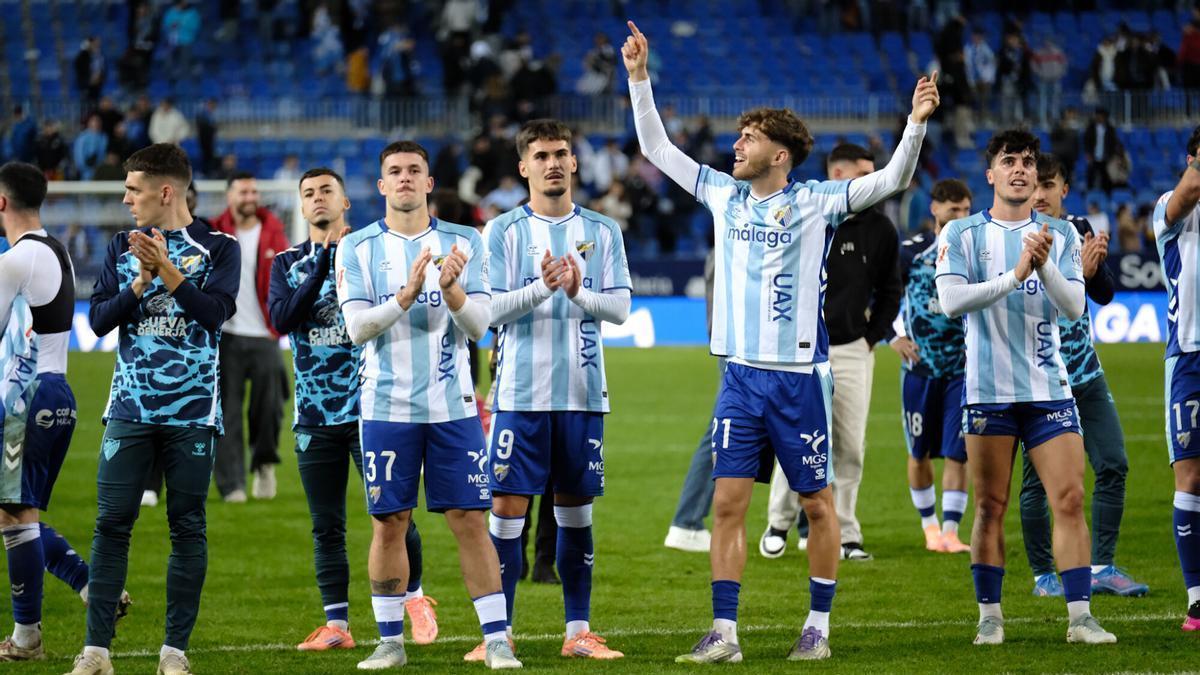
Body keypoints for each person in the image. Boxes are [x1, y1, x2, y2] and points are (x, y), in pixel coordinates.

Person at [624, 21, 936, 662]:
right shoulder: (722, 193)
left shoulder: (820, 200)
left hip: (798, 379)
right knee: (728, 504)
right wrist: (638, 78)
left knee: (820, 508)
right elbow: (656, 148)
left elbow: (893, 180)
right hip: (740, 377)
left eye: (750, 138)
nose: (736, 145)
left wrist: (915, 123)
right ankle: (726, 633)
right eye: (739, 137)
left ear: (780, 154)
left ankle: (817, 628)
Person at [334, 141, 520, 670]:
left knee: (469, 518)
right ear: (381, 186)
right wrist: (406, 295)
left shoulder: (465, 241)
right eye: (395, 171)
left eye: (415, 170)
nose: (406, 178)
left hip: (453, 407)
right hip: (386, 406)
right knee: (389, 521)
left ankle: (497, 639)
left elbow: (480, 325)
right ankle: (390, 641)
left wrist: (453, 290)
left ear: (430, 182)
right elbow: (355, 328)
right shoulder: (360, 248)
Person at [934, 129, 1116, 646]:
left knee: (1071, 498)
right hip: (987, 391)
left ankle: (1080, 618)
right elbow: (950, 303)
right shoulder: (961, 234)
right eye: (1009, 161)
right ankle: (990, 617)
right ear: (990, 173)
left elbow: (1075, 307)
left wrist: (1042, 268)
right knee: (990, 506)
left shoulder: (1059, 234)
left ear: (1037, 175)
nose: (1020, 169)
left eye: (1028, 162)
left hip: (1049, 390)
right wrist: (1015, 275)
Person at [69, 143, 240, 675]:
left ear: (166, 192)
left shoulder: (219, 246)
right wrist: (139, 285)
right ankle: (96, 651)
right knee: (111, 523)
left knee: (186, 525)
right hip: (129, 408)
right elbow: (97, 321)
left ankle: (174, 653)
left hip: (192, 413)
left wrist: (165, 269)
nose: (125, 200)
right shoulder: (122, 246)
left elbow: (214, 315)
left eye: (133, 190)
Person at [269, 167, 438, 651]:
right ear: (301, 208)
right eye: (309, 194)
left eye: (327, 191)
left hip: (373, 408)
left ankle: (416, 598)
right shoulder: (286, 263)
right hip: (314, 416)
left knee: (392, 516)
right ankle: (338, 626)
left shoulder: (371, 253)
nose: (317, 198)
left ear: (346, 203)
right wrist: (322, 261)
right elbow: (282, 319)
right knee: (326, 526)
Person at [483, 118, 631, 661]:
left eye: (560, 154)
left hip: (583, 392)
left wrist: (577, 289)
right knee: (505, 510)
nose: (552, 163)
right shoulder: (501, 232)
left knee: (575, 511)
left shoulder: (603, 230)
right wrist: (539, 287)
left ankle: (578, 632)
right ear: (524, 167)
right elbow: (485, 311)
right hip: (519, 396)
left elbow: (618, 309)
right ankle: (497, 634)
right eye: (541, 155)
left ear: (573, 163)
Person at [0, 162, 128, 661]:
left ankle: (27, 637)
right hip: (55, 392)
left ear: (3, 202)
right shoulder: (56, 252)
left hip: (25, 397)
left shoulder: (14, 260)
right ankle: (90, 585)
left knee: (16, 515)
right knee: (13, 511)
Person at [759, 142, 903, 562]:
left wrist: (870, 336)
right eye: (865, 175)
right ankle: (778, 523)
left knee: (850, 446)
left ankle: (847, 532)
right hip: (800, 353)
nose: (874, 184)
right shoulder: (808, 215)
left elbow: (891, 290)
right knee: (794, 442)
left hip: (852, 350)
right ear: (838, 177)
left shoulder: (881, 229)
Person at [1020, 153, 1148, 598]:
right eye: (1035, 185)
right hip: (1040, 379)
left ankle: (1103, 566)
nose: (1039, 194)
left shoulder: (1078, 231)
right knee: (1038, 483)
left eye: (1048, 185)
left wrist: (1092, 273)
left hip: (1087, 375)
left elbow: (1106, 294)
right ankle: (1043, 576)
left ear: (1063, 190)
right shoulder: (1011, 232)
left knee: (1113, 462)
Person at [888, 178, 973, 554]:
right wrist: (894, 336)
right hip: (919, 368)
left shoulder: (974, 253)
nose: (960, 217)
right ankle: (930, 528)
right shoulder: (912, 252)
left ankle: (952, 532)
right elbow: (886, 296)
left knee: (959, 451)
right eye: (953, 210)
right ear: (935, 209)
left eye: (966, 210)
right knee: (918, 451)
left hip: (962, 368)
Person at [211, 173, 290, 502]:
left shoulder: (274, 230)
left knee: (269, 407)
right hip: (226, 335)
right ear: (230, 196)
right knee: (226, 412)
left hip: (264, 334)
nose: (250, 196)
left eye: (254, 190)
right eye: (244, 191)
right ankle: (233, 485)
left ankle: (264, 464)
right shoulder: (214, 231)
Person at [1151, 123, 1200, 632]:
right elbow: (1187, 193)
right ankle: (1197, 599)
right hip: (1189, 357)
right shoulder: (1173, 206)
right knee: (1191, 476)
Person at [663, 252, 718, 553]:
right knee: (723, 431)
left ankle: (798, 524)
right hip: (742, 350)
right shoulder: (736, 235)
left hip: (735, 347)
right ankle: (687, 522)